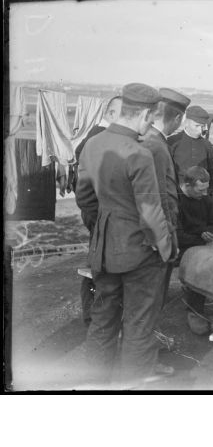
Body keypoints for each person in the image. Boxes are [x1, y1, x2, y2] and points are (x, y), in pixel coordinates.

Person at [76, 83, 175, 387]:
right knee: (138, 325)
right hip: (140, 253)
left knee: (103, 320)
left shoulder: (92, 143)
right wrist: (166, 248)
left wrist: (103, 229)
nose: (149, 124)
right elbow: (150, 212)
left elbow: (84, 198)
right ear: (144, 113)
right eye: (150, 117)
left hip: (104, 250)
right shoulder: (139, 152)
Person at [140, 87, 190, 311]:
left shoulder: (148, 138)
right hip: (159, 232)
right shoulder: (157, 146)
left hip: (147, 231)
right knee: (152, 295)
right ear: (178, 118)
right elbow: (161, 197)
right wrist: (168, 239)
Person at [75, 95, 122, 325]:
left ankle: (95, 313)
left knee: (98, 263)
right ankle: (91, 315)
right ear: (111, 114)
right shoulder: (97, 138)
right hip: (98, 214)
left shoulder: (100, 137)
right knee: (95, 265)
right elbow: (87, 188)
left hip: (100, 213)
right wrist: (99, 217)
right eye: (124, 115)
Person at [177, 166, 213, 335]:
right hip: (184, 245)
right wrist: (201, 238)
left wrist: (210, 233)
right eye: (200, 190)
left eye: (206, 190)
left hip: (202, 242)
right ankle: (195, 310)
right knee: (200, 267)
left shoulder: (205, 199)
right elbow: (178, 235)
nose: (204, 194)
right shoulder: (176, 200)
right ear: (187, 185)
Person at [168, 105, 213, 192]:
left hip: (202, 196)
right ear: (186, 122)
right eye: (197, 126)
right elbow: (166, 172)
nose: (200, 130)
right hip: (178, 195)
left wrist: (210, 193)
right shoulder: (172, 142)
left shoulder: (207, 145)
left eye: (203, 126)